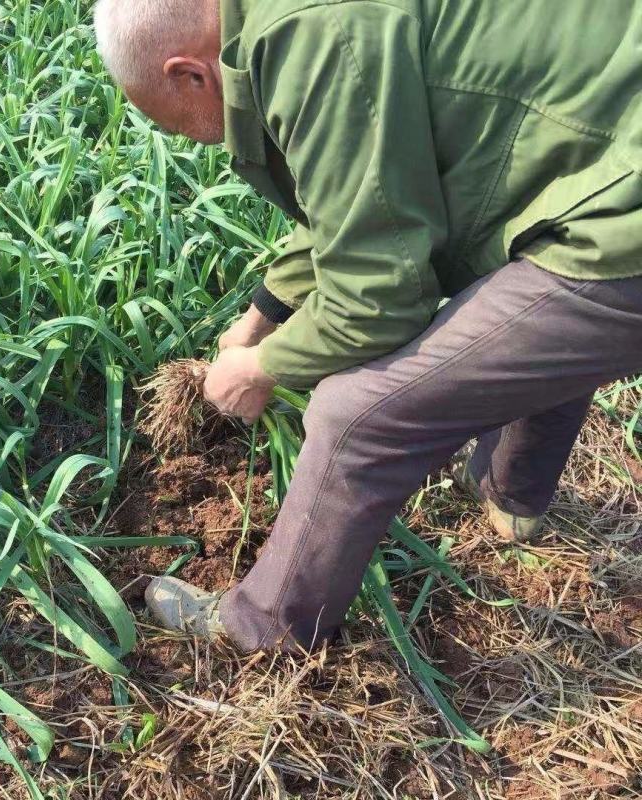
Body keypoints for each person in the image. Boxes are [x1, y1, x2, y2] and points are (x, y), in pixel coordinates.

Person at [94, 0, 642, 652]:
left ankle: (263, 628)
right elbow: (362, 200)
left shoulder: (312, 41)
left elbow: (379, 298)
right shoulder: (284, 19)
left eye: (175, 124)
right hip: (601, 137)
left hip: (624, 206)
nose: (185, 139)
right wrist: (260, 320)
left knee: (355, 413)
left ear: (188, 74)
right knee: (519, 300)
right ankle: (511, 498)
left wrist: (261, 368)